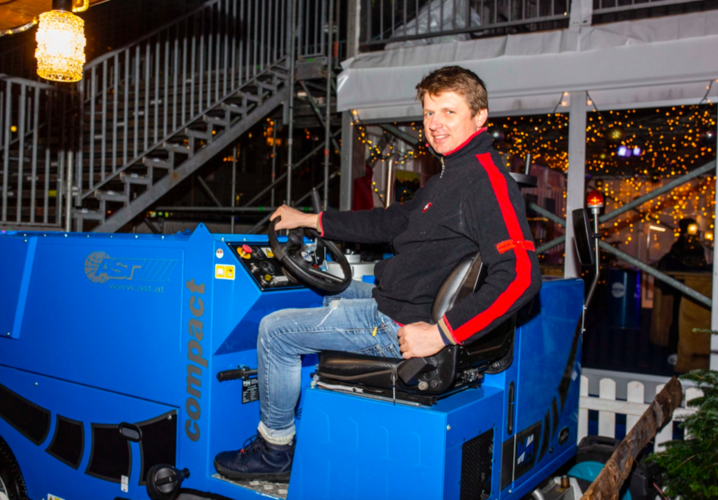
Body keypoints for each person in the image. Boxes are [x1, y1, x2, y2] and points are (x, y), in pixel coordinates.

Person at [213, 66, 542, 482]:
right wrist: (312, 220)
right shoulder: (453, 174)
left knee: (274, 331)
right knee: (336, 289)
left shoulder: (484, 182)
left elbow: (522, 277)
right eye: (428, 114)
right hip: (394, 301)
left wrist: (441, 334)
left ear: (479, 117)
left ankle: (275, 447)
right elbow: (390, 223)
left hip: (398, 324)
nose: (435, 124)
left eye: (448, 112)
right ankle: (306, 412)